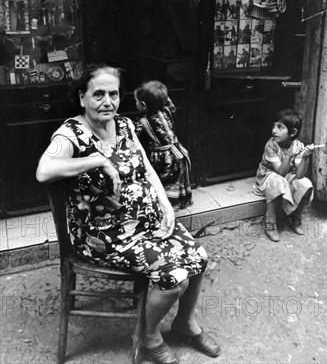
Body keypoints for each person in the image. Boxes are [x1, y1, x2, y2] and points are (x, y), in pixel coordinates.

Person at [36, 63, 220, 364]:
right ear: (82, 97)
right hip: (105, 235)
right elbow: (44, 171)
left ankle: (184, 324)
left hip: (145, 223)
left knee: (198, 256)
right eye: (98, 94)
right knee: (174, 278)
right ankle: (149, 337)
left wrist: (164, 204)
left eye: (113, 94)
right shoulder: (70, 133)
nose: (107, 101)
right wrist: (94, 160)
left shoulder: (124, 125)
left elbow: (146, 167)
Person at [254, 108, 314, 242]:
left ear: (292, 132)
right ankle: (270, 221)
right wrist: (289, 155)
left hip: (288, 176)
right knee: (277, 181)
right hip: (269, 176)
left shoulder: (298, 145)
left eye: (280, 127)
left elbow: (299, 176)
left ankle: (296, 218)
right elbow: (279, 172)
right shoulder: (271, 144)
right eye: (274, 126)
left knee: (306, 184)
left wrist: (305, 157)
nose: (274, 130)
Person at [133, 80, 193, 210]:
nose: (135, 103)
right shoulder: (167, 110)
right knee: (174, 183)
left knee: (162, 187)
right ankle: (173, 206)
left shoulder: (143, 122)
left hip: (164, 160)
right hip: (178, 154)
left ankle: (164, 211)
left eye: (136, 101)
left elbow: (134, 138)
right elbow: (169, 103)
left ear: (143, 105)